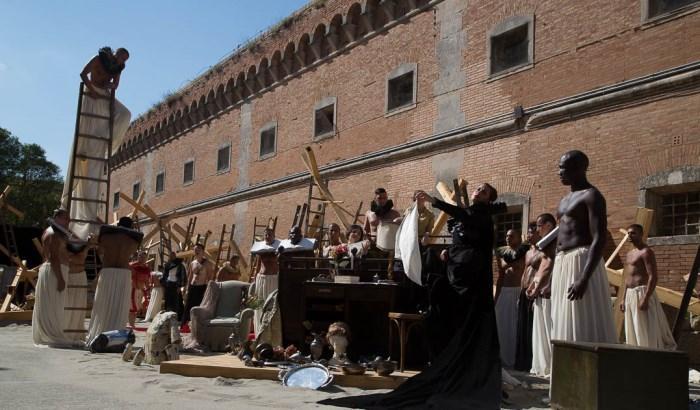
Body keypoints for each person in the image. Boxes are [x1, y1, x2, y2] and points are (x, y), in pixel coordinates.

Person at [320, 183, 504, 408]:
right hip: (459, 277)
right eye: (478, 188)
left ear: (488, 199)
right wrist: (448, 253)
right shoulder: (470, 216)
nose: (478, 191)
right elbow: (463, 240)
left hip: (471, 286)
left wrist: (434, 201)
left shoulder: (482, 216)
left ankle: (466, 372)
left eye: (484, 191)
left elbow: (470, 236)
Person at [61, 47, 132, 240]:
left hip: (103, 94)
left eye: (124, 60)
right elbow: (83, 74)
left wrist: (109, 86)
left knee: (124, 114)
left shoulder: (118, 68)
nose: (122, 61)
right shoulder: (99, 58)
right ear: (116, 53)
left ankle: (107, 140)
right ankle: (89, 145)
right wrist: (92, 89)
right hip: (91, 92)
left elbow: (115, 85)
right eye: (121, 57)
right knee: (87, 130)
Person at [551, 150, 616, 344]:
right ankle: (565, 358)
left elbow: (599, 238)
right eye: (559, 168)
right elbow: (559, 237)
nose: (559, 172)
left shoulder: (592, 196)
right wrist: (551, 277)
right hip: (562, 262)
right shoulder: (564, 199)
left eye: (564, 168)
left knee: (581, 315)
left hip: (581, 260)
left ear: (580, 169)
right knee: (563, 315)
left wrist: (584, 277)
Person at [86, 216, 143, 343]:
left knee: (103, 303)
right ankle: (116, 336)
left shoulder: (106, 237)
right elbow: (131, 253)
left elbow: (100, 251)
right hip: (124, 273)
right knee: (119, 305)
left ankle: (99, 332)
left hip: (108, 271)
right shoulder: (133, 242)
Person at [620, 224, 676, 350]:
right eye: (628, 233)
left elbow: (653, 276)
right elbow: (627, 278)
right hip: (630, 294)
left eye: (633, 233)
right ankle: (636, 353)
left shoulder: (646, 252)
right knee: (633, 327)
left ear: (641, 234)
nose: (629, 235)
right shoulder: (629, 254)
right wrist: (623, 298)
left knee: (646, 326)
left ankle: (650, 353)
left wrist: (645, 298)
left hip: (642, 292)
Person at [33, 209, 73, 346]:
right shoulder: (53, 234)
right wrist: (60, 278)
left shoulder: (54, 233)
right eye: (66, 218)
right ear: (57, 218)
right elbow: (53, 257)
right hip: (55, 272)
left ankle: (52, 332)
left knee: (55, 304)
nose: (68, 221)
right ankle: (51, 334)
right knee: (53, 305)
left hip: (54, 271)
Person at [527, 213, 557, 377]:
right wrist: (535, 285)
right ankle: (543, 364)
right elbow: (542, 267)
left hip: (551, 293)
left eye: (539, 226)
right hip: (540, 292)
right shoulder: (543, 244)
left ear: (549, 225)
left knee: (551, 330)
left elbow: (553, 266)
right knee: (541, 332)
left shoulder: (557, 241)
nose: (537, 230)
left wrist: (548, 286)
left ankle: (553, 365)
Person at [494, 229, 528, 368]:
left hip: (517, 291)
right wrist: (496, 297)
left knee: (514, 327)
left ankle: (514, 360)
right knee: (501, 325)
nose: (508, 238)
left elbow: (518, 266)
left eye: (512, 236)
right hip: (504, 292)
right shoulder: (502, 252)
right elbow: (501, 273)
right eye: (507, 236)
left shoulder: (524, 252)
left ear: (519, 237)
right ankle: (501, 358)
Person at [513, 223, 538, 371]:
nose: (528, 236)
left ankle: (531, 362)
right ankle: (522, 362)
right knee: (522, 328)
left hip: (534, 292)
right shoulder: (528, 252)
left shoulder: (544, 251)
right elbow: (524, 272)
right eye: (528, 233)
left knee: (532, 329)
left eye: (531, 233)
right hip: (524, 292)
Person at [250, 228, 280, 337]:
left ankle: (271, 333)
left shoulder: (278, 248)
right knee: (260, 304)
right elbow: (258, 266)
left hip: (273, 280)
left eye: (270, 234)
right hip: (261, 279)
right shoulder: (260, 249)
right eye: (266, 235)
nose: (267, 236)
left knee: (272, 305)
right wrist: (254, 280)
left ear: (274, 236)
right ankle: (259, 331)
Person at [65, 239, 91, 344]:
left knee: (79, 304)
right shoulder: (66, 247)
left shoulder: (85, 248)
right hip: (69, 276)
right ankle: (66, 330)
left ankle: (76, 332)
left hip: (80, 277)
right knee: (68, 304)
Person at [182, 243, 215, 328]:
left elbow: (210, 278)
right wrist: (187, 288)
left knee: (198, 306)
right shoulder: (192, 263)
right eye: (195, 250)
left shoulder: (207, 264)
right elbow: (190, 277)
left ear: (203, 251)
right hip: (192, 287)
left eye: (198, 250)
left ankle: (197, 325)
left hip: (201, 287)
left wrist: (207, 290)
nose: (196, 251)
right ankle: (185, 325)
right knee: (188, 306)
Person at [161, 251, 186, 321]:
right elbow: (164, 275)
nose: (171, 257)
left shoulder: (180, 265)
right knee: (168, 301)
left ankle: (178, 317)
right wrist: (164, 285)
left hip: (176, 285)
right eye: (170, 256)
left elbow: (183, 276)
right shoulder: (167, 265)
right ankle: (168, 317)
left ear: (175, 256)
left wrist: (180, 286)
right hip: (168, 284)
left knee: (177, 301)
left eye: (173, 255)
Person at [129, 251, 151, 327]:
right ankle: (132, 325)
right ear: (138, 257)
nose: (142, 258)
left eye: (144, 257)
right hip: (133, 288)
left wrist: (148, 291)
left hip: (141, 290)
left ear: (146, 258)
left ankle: (132, 324)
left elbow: (147, 281)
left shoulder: (147, 268)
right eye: (140, 256)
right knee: (133, 307)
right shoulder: (132, 265)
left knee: (137, 308)